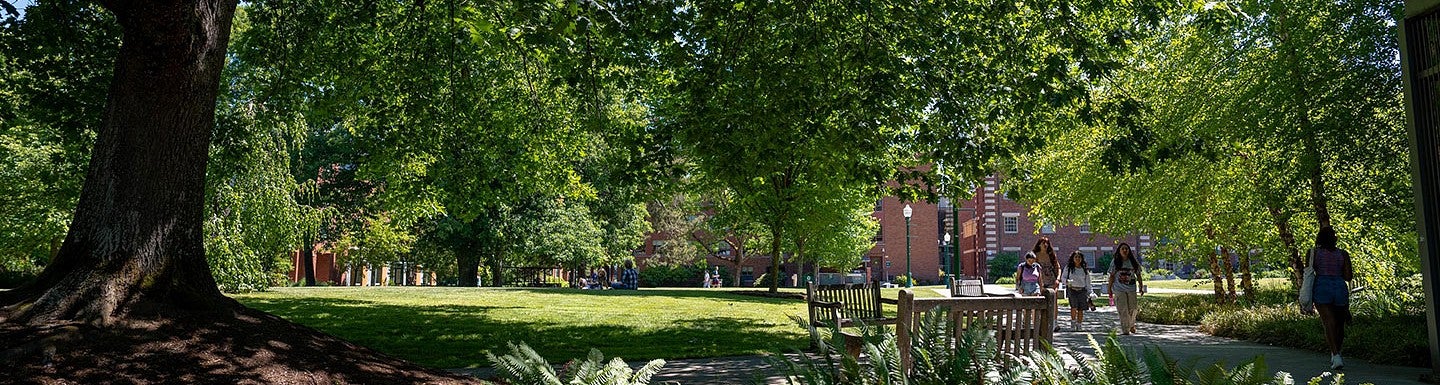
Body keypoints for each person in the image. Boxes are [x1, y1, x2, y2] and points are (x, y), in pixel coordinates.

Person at [1301, 226, 1353, 370]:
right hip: (1339, 287)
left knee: (1328, 322)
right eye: (1334, 235)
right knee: (1339, 324)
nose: (1336, 237)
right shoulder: (1343, 254)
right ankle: (1335, 353)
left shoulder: (1313, 253)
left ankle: (1335, 355)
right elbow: (1348, 276)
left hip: (1321, 287)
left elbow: (1309, 272)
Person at [1107, 242, 1145, 335]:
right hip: (1119, 289)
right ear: (1119, 251)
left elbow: (1138, 275)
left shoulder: (1133, 261)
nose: (1125, 250)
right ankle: (1125, 329)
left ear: (1129, 251)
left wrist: (1141, 287)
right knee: (1123, 309)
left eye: (1126, 249)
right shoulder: (1115, 261)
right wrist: (1109, 289)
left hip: (1131, 288)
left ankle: (1131, 324)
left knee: (1133, 308)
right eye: (1122, 249)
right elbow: (1112, 276)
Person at [1064, 251, 1092, 331]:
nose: (1077, 259)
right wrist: (1067, 281)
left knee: (1081, 309)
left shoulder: (1084, 269)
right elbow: (1063, 278)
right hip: (1072, 289)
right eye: (1076, 257)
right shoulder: (1068, 268)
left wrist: (1090, 292)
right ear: (1073, 258)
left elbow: (1088, 281)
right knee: (1073, 307)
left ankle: (1079, 324)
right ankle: (1073, 323)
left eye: (1079, 257)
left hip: (1082, 290)